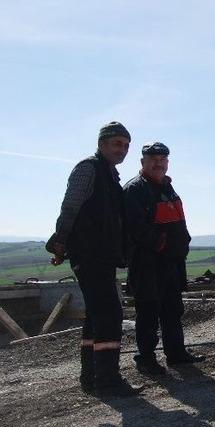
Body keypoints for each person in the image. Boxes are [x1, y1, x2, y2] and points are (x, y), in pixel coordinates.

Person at [46, 121, 141, 396]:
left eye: (125, 145)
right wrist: (61, 242)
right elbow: (70, 207)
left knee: (97, 316)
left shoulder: (110, 174)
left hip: (102, 253)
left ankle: (91, 377)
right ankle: (108, 381)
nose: (122, 150)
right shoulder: (88, 168)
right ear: (102, 144)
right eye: (116, 144)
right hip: (89, 253)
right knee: (110, 314)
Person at [124, 142, 204, 374]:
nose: (159, 164)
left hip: (171, 261)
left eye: (163, 160)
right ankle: (146, 359)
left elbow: (179, 221)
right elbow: (135, 227)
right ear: (143, 163)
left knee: (172, 308)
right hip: (147, 262)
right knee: (148, 310)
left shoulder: (168, 188)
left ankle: (176, 354)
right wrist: (159, 244)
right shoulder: (135, 189)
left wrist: (182, 243)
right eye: (154, 160)